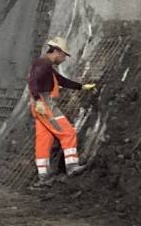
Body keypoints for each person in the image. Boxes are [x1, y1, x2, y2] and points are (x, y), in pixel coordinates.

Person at [27, 36, 95, 185]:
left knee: (44, 141)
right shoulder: (43, 64)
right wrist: (38, 100)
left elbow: (62, 80)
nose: (64, 59)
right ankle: (72, 166)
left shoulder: (45, 65)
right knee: (68, 132)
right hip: (45, 105)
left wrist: (81, 87)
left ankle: (43, 177)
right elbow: (32, 81)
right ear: (57, 51)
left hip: (40, 106)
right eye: (64, 55)